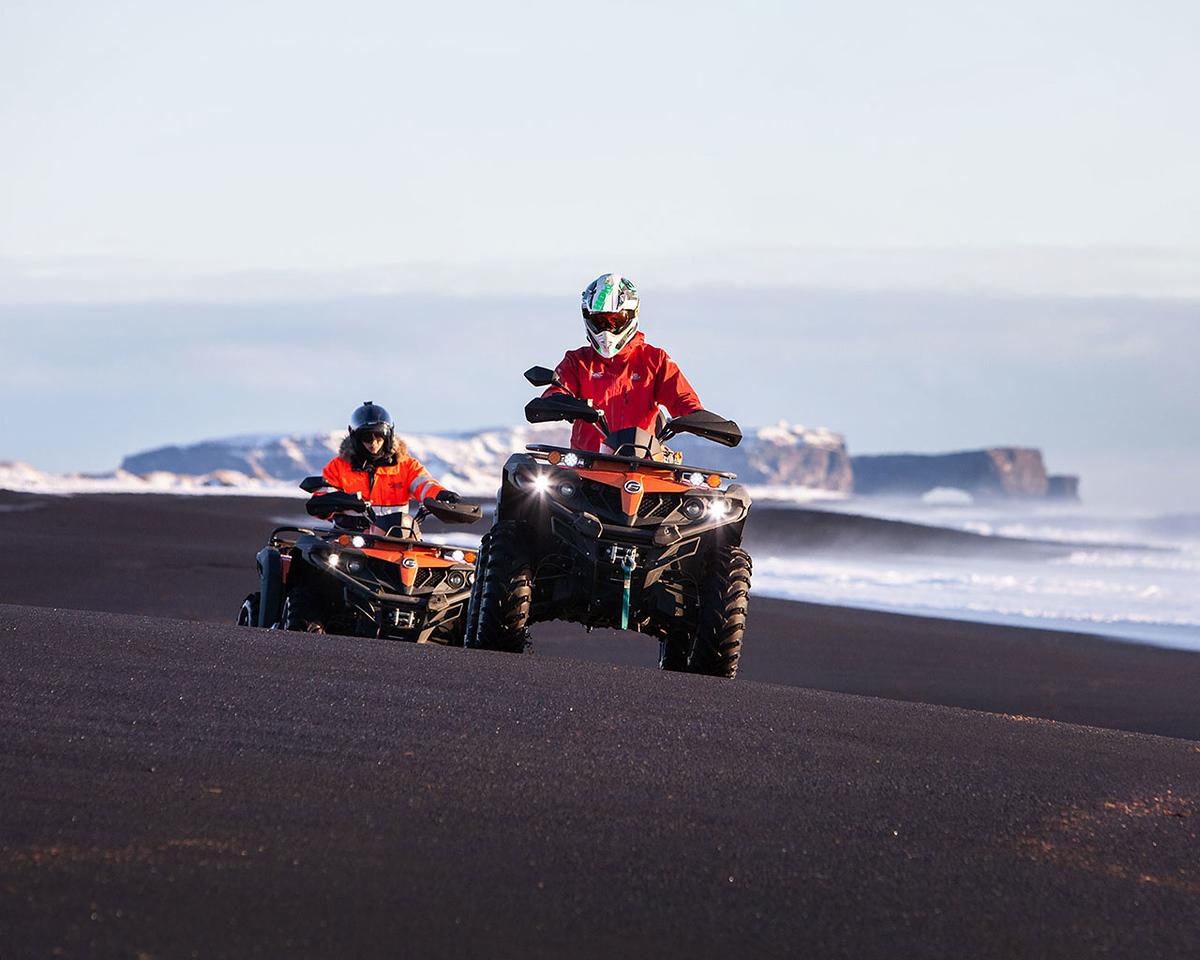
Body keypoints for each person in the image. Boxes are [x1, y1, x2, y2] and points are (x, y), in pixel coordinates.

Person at [544, 273, 703, 452]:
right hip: (587, 464)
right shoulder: (577, 361)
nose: (607, 329)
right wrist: (558, 402)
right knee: (533, 474)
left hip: (642, 462)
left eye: (615, 320)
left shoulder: (655, 359)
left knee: (692, 480)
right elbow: (557, 389)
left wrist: (697, 417)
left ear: (631, 316)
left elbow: (682, 398)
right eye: (600, 321)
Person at [309, 401, 460, 517]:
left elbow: (424, 486)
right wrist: (340, 501)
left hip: (398, 537)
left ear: (388, 437)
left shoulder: (406, 465)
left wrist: (441, 495)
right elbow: (320, 500)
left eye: (379, 437)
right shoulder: (338, 467)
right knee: (320, 554)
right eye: (367, 437)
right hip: (351, 538)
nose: (373, 443)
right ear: (356, 438)